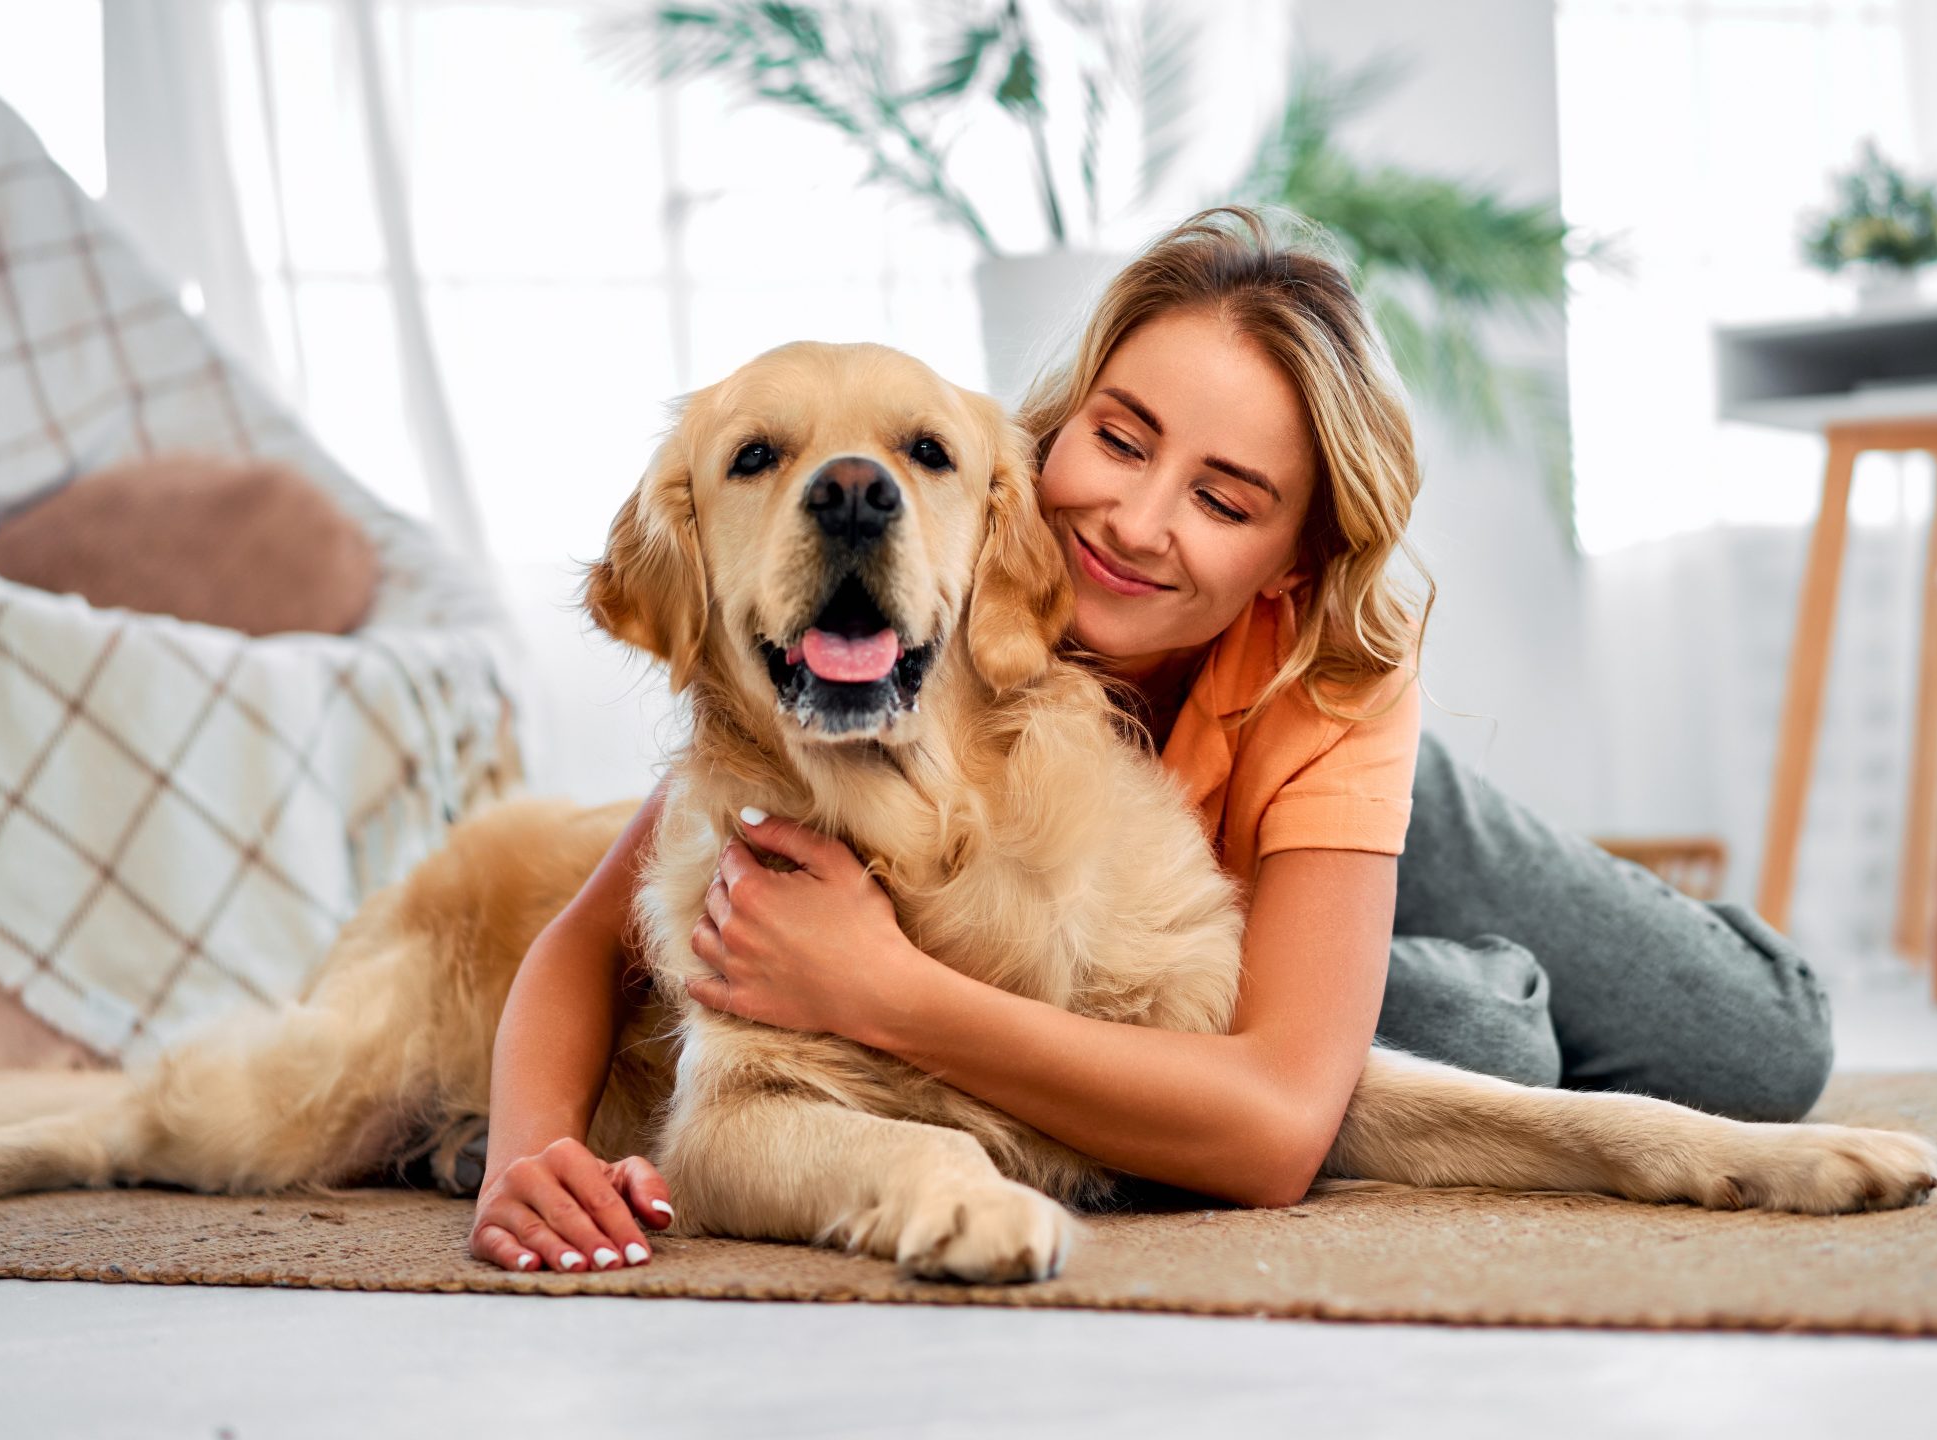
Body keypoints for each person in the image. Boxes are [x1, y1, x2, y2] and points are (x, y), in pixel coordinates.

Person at [466, 207, 1833, 1275]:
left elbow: (1277, 1131)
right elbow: (596, 935)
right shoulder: (946, 545)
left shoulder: (1325, 657)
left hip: (1328, 788)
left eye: (1226, 500)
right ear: (1059, 426)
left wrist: (883, 989)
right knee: (1470, 1040)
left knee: (1748, 1049)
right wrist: (525, 1152)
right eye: (1119, 440)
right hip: (1162, 958)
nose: (1131, 522)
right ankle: (1381, 988)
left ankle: (1384, 951)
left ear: (1290, 564)